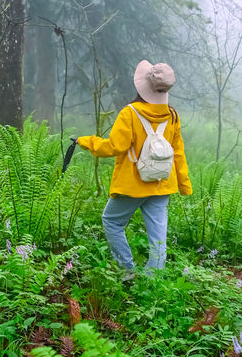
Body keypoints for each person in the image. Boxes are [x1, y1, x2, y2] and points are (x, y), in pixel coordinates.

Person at [77, 60, 192, 279]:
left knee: (111, 221)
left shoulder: (130, 113)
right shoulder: (172, 115)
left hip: (132, 185)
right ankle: (153, 280)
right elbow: (178, 153)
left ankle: (126, 270)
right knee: (158, 236)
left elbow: (114, 146)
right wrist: (184, 185)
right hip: (161, 184)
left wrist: (86, 142)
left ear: (142, 86)